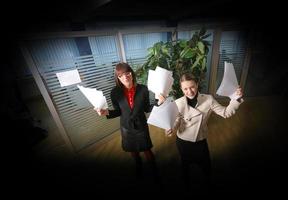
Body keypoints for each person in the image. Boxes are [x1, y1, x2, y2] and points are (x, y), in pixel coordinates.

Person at [165, 72, 243, 189]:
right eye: (185, 89)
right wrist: (171, 128)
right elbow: (177, 121)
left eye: (192, 87)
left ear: (197, 84)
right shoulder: (178, 103)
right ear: (181, 89)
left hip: (200, 140)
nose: (189, 91)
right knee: (185, 166)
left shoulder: (208, 99)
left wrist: (236, 99)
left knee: (206, 167)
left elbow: (225, 113)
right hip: (183, 141)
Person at [95, 62, 165, 182]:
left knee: (147, 149)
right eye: (121, 75)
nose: (125, 77)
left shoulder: (143, 89)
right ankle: (138, 167)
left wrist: (159, 102)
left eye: (127, 73)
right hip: (126, 127)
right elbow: (118, 111)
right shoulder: (115, 92)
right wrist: (106, 113)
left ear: (131, 74)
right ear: (118, 78)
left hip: (141, 125)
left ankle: (154, 170)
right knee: (133, 151)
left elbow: (147, 108)